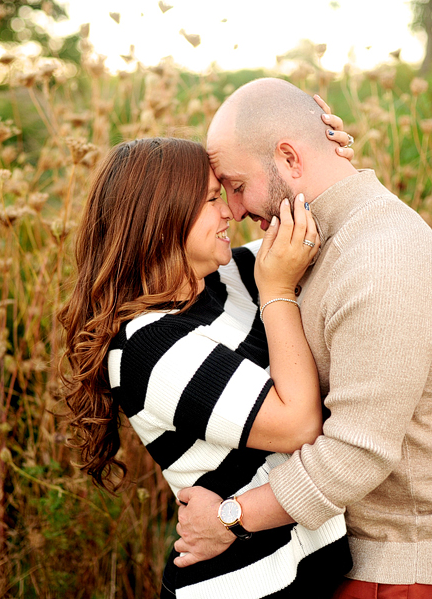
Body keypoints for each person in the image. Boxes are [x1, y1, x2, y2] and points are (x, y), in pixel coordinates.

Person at [174, 78, 432, 599]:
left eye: (237, 186)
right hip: (365, 557)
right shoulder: (306, 238)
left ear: (288, 157)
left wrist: (231, 518)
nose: (234, 211)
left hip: (411, 565)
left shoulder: (381, 259)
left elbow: (357, 454)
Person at [58, 137, 355, 598]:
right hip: (243, 585)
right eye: (212, 200)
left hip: (304, 573)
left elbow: (319, 226)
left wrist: (322, 150)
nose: (230, 214)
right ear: (162, 220)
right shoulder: (147, 347)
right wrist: (277, 288)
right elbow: (297, 425)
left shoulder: (226, 276)